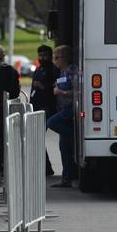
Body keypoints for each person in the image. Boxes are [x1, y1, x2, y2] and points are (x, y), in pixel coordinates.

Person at [46, 45, 77, 188]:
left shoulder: (72, 71)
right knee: (63, 147)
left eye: (57, 58)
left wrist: (60, 92)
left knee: (51, 122)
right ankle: (67, 178)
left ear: (65, 58)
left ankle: (75, 139)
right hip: (63, 108)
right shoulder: (61, 72)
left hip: (71, 109)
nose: (55, 60)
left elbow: (77, 91)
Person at [0, 44, 20, 177]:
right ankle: (3, 165)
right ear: (4, 56)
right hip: (5, 108)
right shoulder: (11, 70)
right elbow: (16, 91)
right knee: (3, 138)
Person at [30, 45, 60, 176]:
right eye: (40, 55)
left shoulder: (54, 70)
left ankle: (47, 168)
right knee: (37, 139)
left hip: (48, 107)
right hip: (36, 107)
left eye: (45, 55)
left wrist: (44, 86)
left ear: (50, 55)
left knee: (39, 137)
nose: (42, 58)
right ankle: (46, 167)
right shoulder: (38, 69)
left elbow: (56, 87)